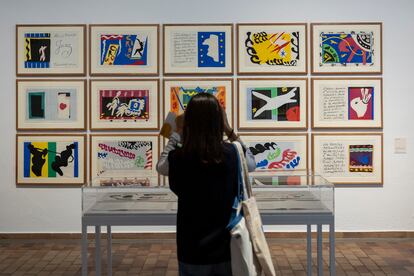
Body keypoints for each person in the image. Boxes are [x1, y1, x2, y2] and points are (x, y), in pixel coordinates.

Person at [156, 93, 255, 276]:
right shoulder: (232, 152)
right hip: (227, 243)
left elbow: (161, 167)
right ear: (218, 120)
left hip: (191, 246)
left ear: (189, 122)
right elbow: (251, 163)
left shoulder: (179, 157)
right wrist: (229, 130)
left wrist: (176, 134)